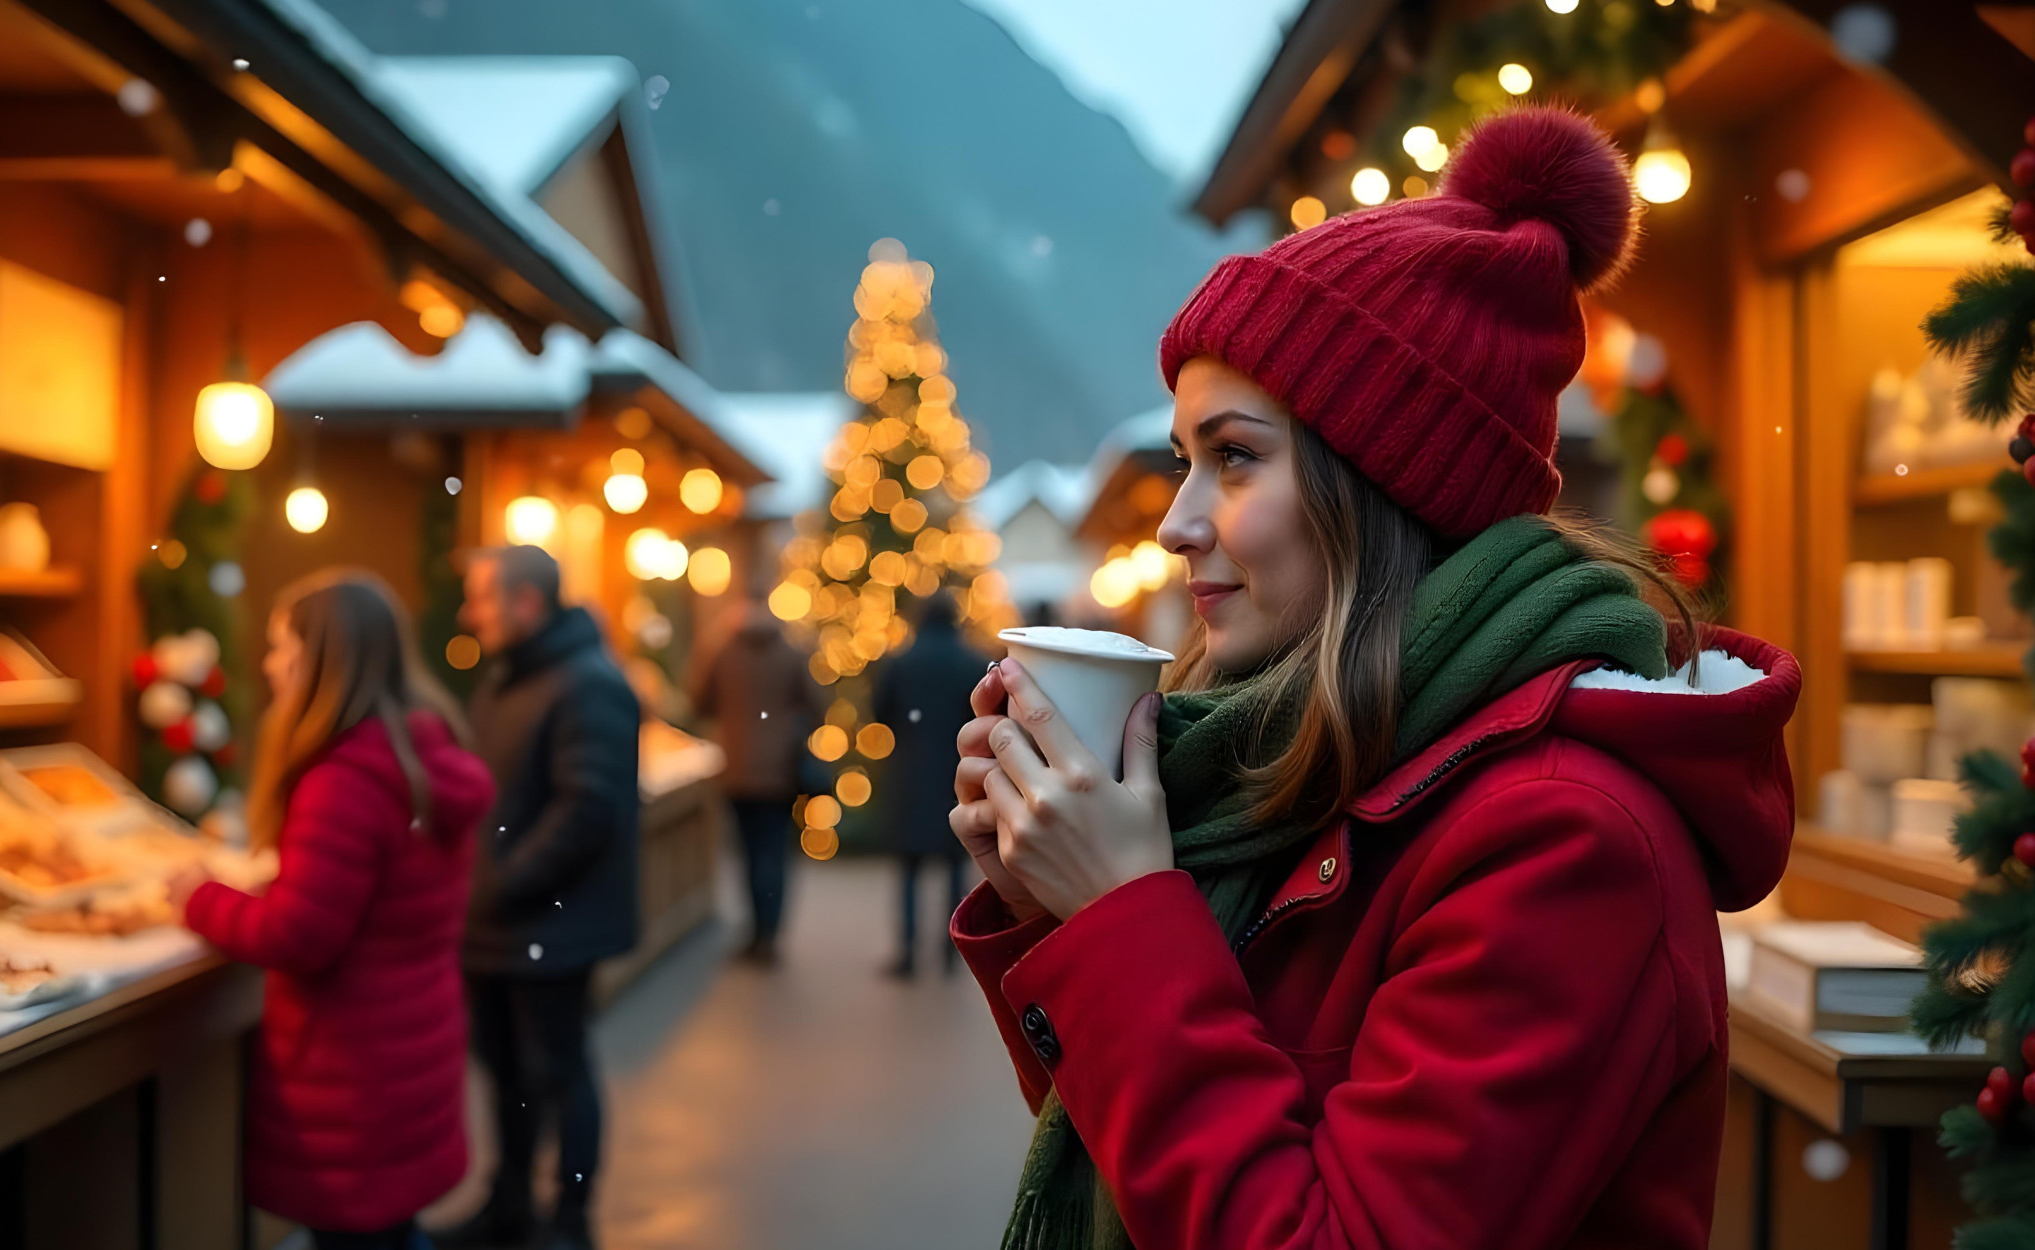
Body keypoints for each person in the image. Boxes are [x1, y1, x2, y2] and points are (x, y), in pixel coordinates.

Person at [948, 107, 1801, 1250]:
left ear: (1387, 486)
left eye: (1235, 456)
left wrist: (1117, 914)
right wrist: (1047, 898)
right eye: (1182, 460)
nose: (1176, 525)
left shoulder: (1566, 840)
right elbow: (1144, 1167)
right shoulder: (1328, 761)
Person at [177, 570, 495, 1250]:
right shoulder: (419, 752)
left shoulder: (345, 779)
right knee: (393, 1232)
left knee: (360, 1240)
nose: (267, 665)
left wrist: (197, 897)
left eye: (278, 646)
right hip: (411, 1046)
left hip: (352, 1076)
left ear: (317, 658)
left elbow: (297, 935)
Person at [445, 546, 640, 1250]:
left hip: (555, 922)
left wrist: (501, 880)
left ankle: (568, 1221)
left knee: (560, 1072)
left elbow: (589, 809)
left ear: (526, 602)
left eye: (481, 599)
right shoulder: (506, 679)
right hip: (497, 920)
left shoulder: (588, 683)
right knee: (503, 1072)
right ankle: (510, 1203)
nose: (468, 615)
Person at [689, 584, 818, 965]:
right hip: (779, 771)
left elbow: (699, 701)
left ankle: (754, 931)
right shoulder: (792, 652)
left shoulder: (721, 650)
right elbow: (816, 704)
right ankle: (770, 934)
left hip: (736, 769)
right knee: (773, 854)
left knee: (746, 854)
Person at [871, 591, 989, 977]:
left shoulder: (901, 662)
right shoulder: (972, 662)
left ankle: (907, 951)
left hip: (911, 770)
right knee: (955, 861)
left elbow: (880, 711)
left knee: (908, 866)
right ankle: (951, 948)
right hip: (959, 773)